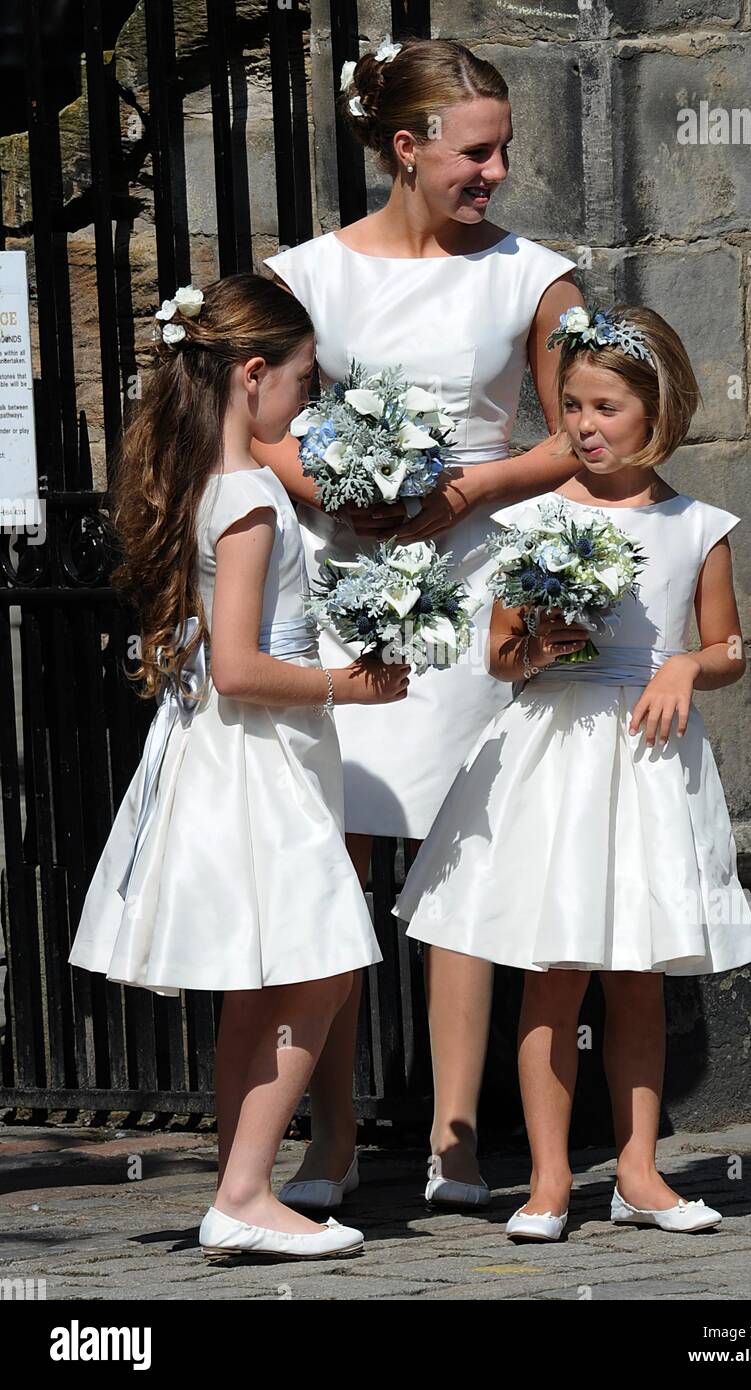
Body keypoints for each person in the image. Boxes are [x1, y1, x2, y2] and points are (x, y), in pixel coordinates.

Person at [254, 34, 588, 1206]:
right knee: (334, 865)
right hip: (346, 588)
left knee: (467, 865)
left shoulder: (536, 277)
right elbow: (257, 424)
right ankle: (333, 1138)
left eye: (503, 151)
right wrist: (336, 491)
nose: (496, 173)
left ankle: (456, 1139)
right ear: (406, 147)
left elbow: (583, 431)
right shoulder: (305, 277)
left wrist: (465, 490)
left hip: (477, 590)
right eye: (476, 151)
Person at [393, 303, 751, 1240]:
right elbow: (498, 655)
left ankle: (639, 1169)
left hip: (645, 760)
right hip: (552, 758)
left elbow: (726, 646)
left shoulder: (696, 525)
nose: (585, 427)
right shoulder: (531, 521)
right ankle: (551, 1178)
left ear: (659, 409)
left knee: (637, 972)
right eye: (570, 408)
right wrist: (536, 648)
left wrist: (685, 663)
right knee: (553, 969)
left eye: (605, 407)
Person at [68, 273, 409, 1260]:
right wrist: (352, 686)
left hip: (228, 752)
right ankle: (249, 1186)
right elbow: (241, 666)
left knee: (260, 981)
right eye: (303, 380)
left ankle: (240, 1187)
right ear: (252, 374)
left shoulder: (201, 481)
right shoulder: (253, 497)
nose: (307, 400)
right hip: (257, 758)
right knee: (324, 963)